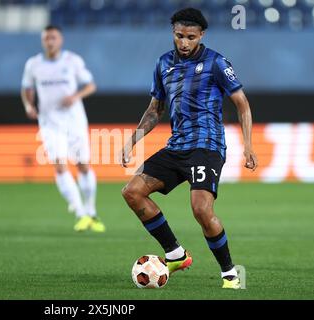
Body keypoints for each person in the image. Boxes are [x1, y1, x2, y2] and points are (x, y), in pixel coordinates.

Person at [120, 8, 258, 289]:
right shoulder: (163, 64)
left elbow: (242, 103)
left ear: (201, 36)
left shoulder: (216, 62)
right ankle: (175, 254)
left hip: (207, 146)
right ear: (174, 33)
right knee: (132, 192)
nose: (184, 43)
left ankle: (229, 273)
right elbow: (154, 110)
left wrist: (248, 146)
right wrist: (132, 140)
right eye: (179, 36)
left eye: (191, 37)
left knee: (200, 209)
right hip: (177, 146)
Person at [21, 25, 106, 232]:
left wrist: (75, 97)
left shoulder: (72, 61)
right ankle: (80, 213)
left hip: (74, 121)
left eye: (53, 37)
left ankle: (91, 211)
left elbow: (90, 85)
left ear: (61, 40)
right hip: (49, 123)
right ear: (43, 41)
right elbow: (26, 88)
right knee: (59, 165)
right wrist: (29, 105)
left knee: (83, 165)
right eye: (46, 38)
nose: (50, 41)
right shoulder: (34, 64)